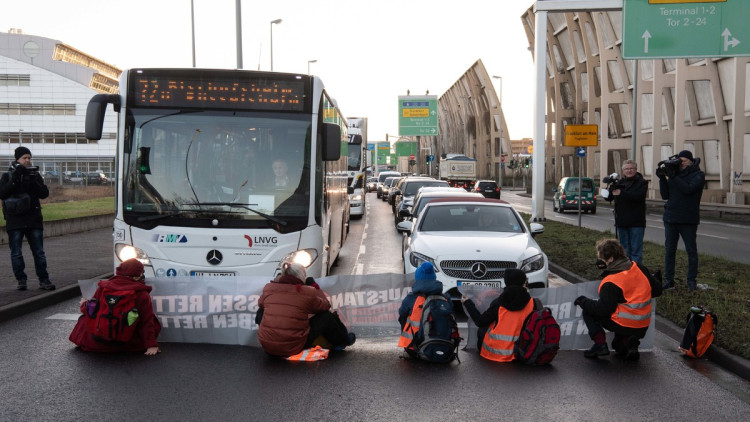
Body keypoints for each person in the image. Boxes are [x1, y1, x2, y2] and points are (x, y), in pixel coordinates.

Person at [574, 239, 662, 361]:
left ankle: (600, 345)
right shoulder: (639, 268)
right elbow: (657, 291)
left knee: (588, 311)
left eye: (602, 258)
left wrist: (583, 301)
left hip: (624, 323)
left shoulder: (611, 281)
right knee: (618, 347)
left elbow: (603, 309)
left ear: (610, 259)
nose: (600, 261)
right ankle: (630, 343)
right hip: (642, 324)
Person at [256, 262, 355, 357]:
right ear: (301, 276)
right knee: (326, 316)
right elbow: (325, 305)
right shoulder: (306, 292)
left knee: (261, 310)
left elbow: (260, 303)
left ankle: (271, 339)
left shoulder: (269, 288)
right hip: (293, 346)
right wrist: (315, 287)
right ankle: (342, 341)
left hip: (268, 347)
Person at [69, 259, 162, 355]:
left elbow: (91, 310)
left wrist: (83, 304)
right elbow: (146, 321)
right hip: (127, 345)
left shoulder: (103, 287)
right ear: (137, 276)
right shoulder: (142, 294)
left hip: (95, 344)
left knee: (84, 317)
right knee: (150, 318)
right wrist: (151, 345)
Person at [0, 146, 54, 291]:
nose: (28, 160)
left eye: (29, 158)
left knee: (39, 252)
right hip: (15, 220)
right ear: (17, 159)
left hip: (33, 219)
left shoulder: (35, 175)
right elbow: (2, 193)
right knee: (16, 252)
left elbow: (44, 193)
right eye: (24, 158)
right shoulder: (7, 176)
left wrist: (33, 182)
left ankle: (44, 280)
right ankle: (21, 280)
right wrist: (15, 179)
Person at [461, 269, 540, 362]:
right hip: (523, 352)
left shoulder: (498, 302)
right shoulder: (534, 303)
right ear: (524, 283)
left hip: (494, 353)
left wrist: (467, 302)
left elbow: (480, 321)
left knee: (484, 328)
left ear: (506, 282)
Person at [657, 150, 705, 291]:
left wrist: (673, 176)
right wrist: (662, 178)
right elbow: (665, 195)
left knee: (691, 251)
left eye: (684, 160)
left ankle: (691, 281)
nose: (681, 163)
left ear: (691, 161)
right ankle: (669, 280)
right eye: (680, 160)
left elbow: (688, 189)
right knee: (669, 251)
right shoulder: (674, 173)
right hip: (671, 217)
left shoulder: (698, 175)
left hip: (688, 219)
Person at [398, 262, 455, 358]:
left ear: (418, 279)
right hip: (446, 347)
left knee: (405, 316)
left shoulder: (412, 297)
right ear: (433, 278)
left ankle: (411, 343)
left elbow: (401, 314)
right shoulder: (445, 298)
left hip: (415, 349)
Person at [605, 160, 648, 264]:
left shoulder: (642, 182)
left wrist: (621, 193)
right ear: (623, 171)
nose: (629, 171)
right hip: (622, 221)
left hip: (636, 222)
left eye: (631, 168)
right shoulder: (619, 182)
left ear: (636, 169)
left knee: (636, 251)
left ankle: (636, 273)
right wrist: (608, 190)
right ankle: (626, 273)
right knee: (624, 251)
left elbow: (638, 196)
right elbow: (610, 198)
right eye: (626, 169)